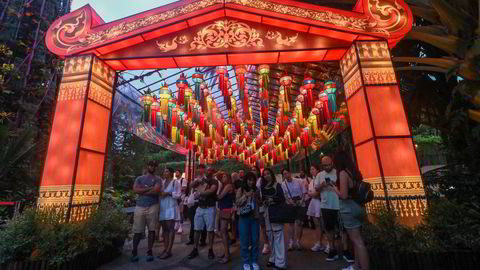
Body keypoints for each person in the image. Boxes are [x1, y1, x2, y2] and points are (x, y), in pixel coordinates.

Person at [332, 151, 369, 270]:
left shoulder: (343, 173)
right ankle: (356, 266)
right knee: (357, 240)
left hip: (348, 208)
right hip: (358, 206)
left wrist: (334, 188)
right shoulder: (354, 172)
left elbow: (343, 195)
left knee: (358, 241)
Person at [130, 161, 161, 262]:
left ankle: (149, 251)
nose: (152, 167)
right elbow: (135, 190)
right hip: (140, 206)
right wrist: (149, 189)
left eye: (154, 166)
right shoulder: (139, 178)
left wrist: (143, 190)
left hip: (153, 206)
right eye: (150, 165)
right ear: (147, 166)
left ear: (155, 167)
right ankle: (134, 251)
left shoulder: (158, 179)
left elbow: (156, 191)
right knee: (137, 231)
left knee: (152, 230)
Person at [188, 166, 218, 260]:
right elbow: (191, 185)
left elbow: (212, 190)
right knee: (197, 229)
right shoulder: (201, 179)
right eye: (207, 170)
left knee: (210, 230)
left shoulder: (214, 181)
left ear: (213, 172)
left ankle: (210, 249)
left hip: (210, 208)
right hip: (200, 207)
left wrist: (200, 194)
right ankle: (195, 248)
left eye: (211, 170)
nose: (209, 171)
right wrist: (198, 181)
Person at [262, 168, 287, 270]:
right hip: (267, 213)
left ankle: (280, 262)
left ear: (271, 175)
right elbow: (263, 200)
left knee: (278, 237)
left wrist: (273, 200)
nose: (266, 175)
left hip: (276, 213)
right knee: (270, 236)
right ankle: (273, 258)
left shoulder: (278, 185)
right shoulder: (263, 187)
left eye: (268, 173)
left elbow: (282, 199)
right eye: (264, 174)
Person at [316, 156, 340, 261]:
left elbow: (343, 186)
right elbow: (316, 188)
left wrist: (334, 184)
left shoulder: (338, 172)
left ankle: (345, 250)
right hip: (325, 205)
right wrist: (322, 185)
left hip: (338, 204)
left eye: (328, 164)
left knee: (341, 229)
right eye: (324, 165)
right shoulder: (320, 175)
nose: (327, 167)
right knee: (329, 228)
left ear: (332, 163)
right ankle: (332, 249)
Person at [236, 171, 261, 270]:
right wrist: (246, 196)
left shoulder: (256, 190)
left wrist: (256, 197)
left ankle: (254, 260)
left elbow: (260, 203)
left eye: (253, 180)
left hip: (254, 217)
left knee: (255, 239)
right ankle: (246, 261)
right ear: (246, 180)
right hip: (243, 217)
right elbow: (237, 203)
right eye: (249, 180)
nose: (251, 182)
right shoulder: (241, 190)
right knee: (244, 240)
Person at [281, 168, 307, 251]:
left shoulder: (299, 181)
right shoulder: (283, 184)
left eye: (287, 173)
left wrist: (301, 201)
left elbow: (304, 192)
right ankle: (291, 242)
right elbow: (285, 195)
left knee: (299, 222)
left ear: (290, 173)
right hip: (290, 204)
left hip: (300, 203)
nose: (286, 175)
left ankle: (298, 241)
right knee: (291, 224)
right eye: (284, 174)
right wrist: (291, 202)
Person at [158, 167, 181, 259]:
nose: (165, 173)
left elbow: (178, 195)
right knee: (164, 229)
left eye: (167, 171)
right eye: (164, 171)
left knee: (170, 228)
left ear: (171, 173)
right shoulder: (162, 182)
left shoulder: (176, 182)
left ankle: (169, 250)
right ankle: (165, 248)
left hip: (171, 206)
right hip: (163, 207)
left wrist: (168, 193)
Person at [186, 165, 207, 246]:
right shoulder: (195, 178)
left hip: (202, 201)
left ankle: (202, 240)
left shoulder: (207, 179)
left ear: (204, 170)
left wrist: (200, 181)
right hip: (194, 202)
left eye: (202, 168)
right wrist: (197, 181)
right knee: (193, 221)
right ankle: (192, 238)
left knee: (203, 221)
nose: (200, 170)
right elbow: (191, 185)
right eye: (199, 168)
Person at [308, 164, 327, 252]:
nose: (311, 171)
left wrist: (313, 194)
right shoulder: (312, 180)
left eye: (313, 169)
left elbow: (317, 193)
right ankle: (319, 243)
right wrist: (312, 194)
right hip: (314, 202)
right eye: (310, 169)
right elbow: (309, 192)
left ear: (317, 170)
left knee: (324, 224)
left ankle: (328, 243)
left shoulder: (321, 178)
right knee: (317, 224)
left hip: (320, 202)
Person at [216, 173, 235, 264]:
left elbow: (219, 196)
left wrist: (219, 188)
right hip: (223, 209)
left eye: (224, 176)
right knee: (224, 233)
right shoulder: (224, 186)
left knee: (223, 232)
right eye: (222, 176)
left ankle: (227, 256)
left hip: (226, 210)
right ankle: (226, 252)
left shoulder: (228, 186)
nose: (223, 178)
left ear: (228, 178)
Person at [254, 166, 271, 255]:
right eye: (252, 170)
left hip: (267, 205)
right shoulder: (252, 182)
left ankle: (271, 242)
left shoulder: (261, 180)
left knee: (270, 224)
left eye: (254, 170)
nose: (253, 172)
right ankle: (266, 243)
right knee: (262, 225)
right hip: (259, 206)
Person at [174, 170, 187, 234]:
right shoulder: (175, 181)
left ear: (180, 174)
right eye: (175, 173)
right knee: (176, 212)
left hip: (181, 198)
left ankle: (181, 227)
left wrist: (176, 188)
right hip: (176, 198)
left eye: (177, 172)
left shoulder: (183, 180)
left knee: (181, 212)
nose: (176, 174)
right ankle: (177, 225)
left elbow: (184, 188)